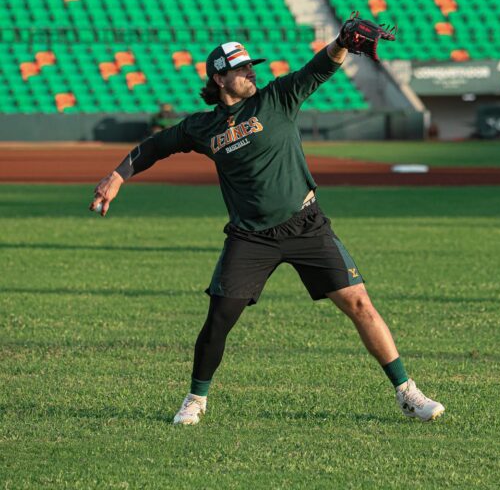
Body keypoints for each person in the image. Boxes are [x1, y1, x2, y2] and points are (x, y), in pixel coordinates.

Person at [89, 38, 445, 425]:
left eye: (250, 66)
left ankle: (407, 392)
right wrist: (117, 176)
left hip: (306, 224)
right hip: (250, 236)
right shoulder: (202, 126)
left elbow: (319, 69)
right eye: (241, 69)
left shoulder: (277, 97)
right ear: (219, 78)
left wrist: (342, 42)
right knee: (220, 318)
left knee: (360, 303)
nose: (250, 72)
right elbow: (156, 146)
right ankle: (195, 399)